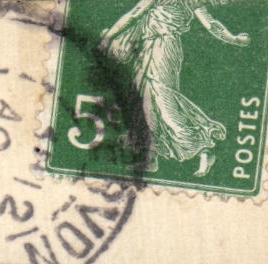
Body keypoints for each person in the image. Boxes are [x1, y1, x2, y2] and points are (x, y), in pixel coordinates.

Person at [98, 0, 250, 175]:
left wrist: (108, 37)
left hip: (163, 48)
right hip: (149, 47)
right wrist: (234, 39)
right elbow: (212, 25)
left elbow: (134, 14)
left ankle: (202, 148)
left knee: (164, 101)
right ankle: (150, 157)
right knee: (145, 100)